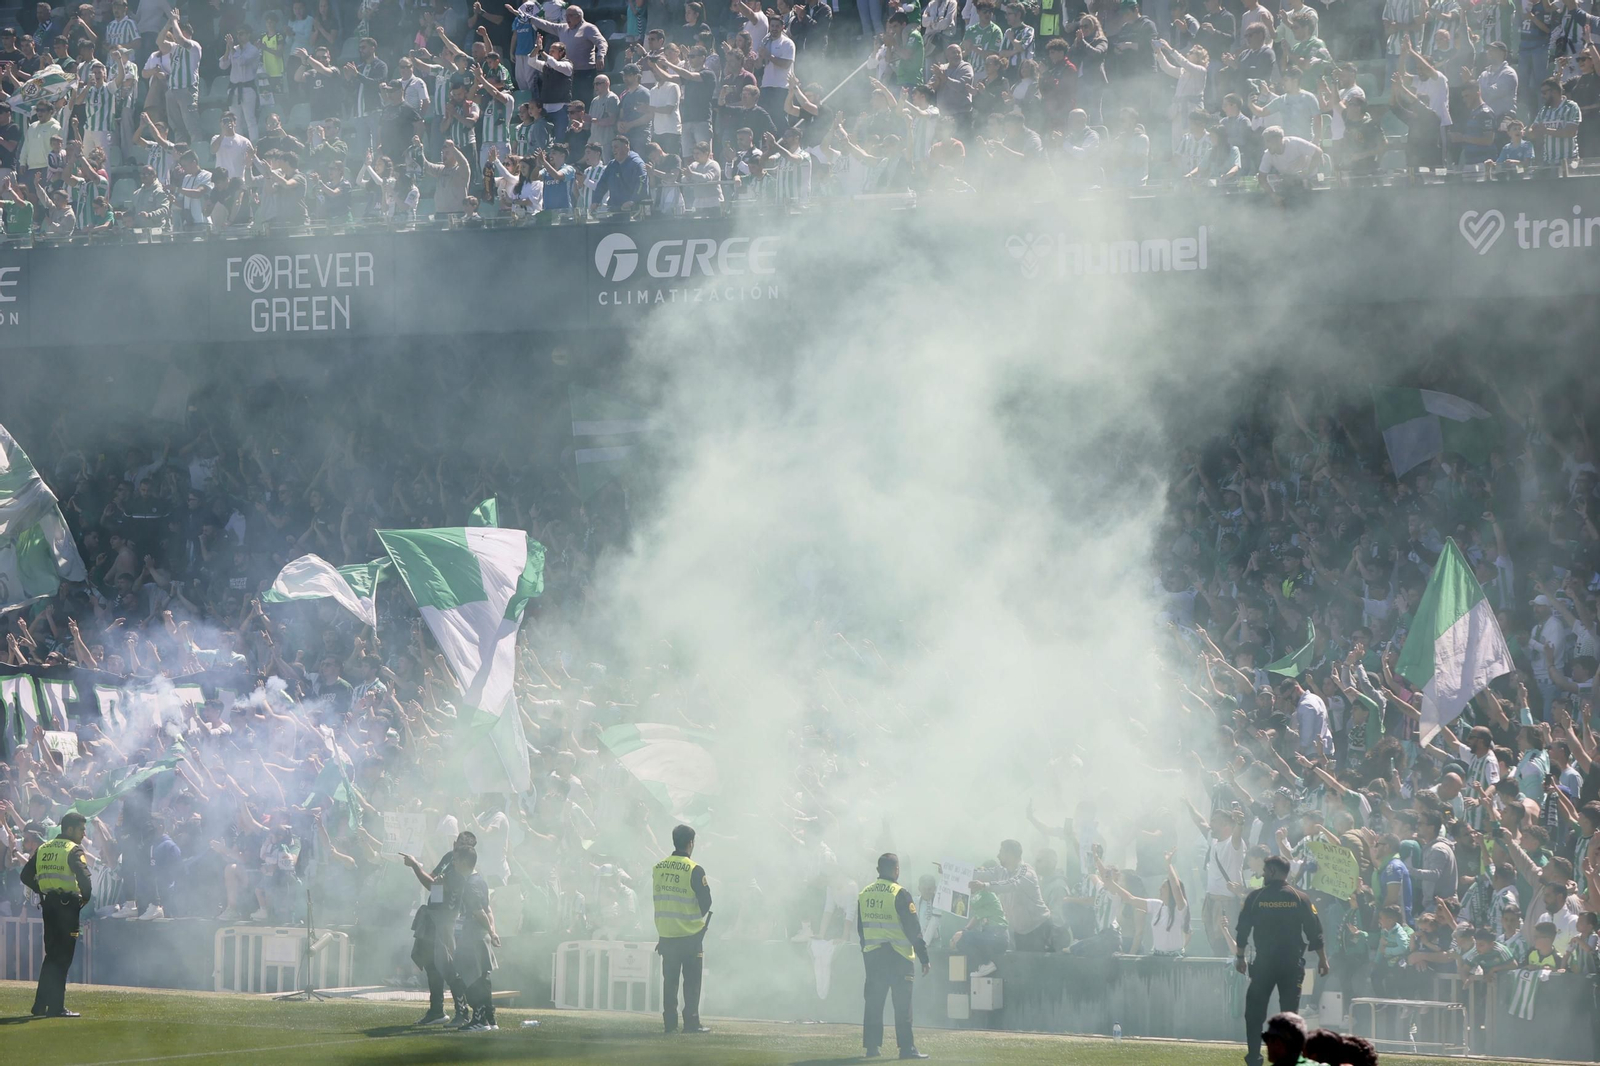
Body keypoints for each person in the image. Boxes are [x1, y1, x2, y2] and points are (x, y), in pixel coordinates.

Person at [1234, 855, 1329, 1066]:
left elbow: (1242, 929)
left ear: (1274, 872)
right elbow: (1315, 932)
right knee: (1289, 1016)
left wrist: (1240, 956)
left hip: (1264, 965)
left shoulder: (1255, 897)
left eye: (1266, 871)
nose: (1263, 874)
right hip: (1291, 965)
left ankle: (1254, 1059)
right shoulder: (1300, 897)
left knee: (1254, 1013)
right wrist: (1323, 959)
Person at [858, 853, 930, 1060]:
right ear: (897, 870)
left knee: (873, 1002)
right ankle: (906, 1049)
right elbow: (913, 930)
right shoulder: (901, 894)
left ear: (878, 870)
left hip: (873, 956)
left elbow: (861, 930)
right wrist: (924, 957)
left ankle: (872, 1048)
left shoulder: (864, 893)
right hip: (899, 957)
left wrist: (866, 953)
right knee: (902, 1005)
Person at [400, 830, 476, 1026]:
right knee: (431, 965)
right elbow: (434, 879)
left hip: (444, 921)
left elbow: (431, 885)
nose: (456, 850)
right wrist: (432, 880)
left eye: (461, 847)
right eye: (458, 844)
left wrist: (416, 866)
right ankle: (436, 1010)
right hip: (433, 918)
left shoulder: (460, 871)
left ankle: (462, 1012)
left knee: (447, 966)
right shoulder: (450, 858)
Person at [22, 810, 92, 1017]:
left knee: (52, 955)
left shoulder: (44, 847)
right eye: (81, 830)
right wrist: (85, 898)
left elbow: (26, 875)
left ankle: (39, 1004)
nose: (84, 835)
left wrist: (43, 889)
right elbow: (85, 879)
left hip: (49, 906)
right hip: (67, 907)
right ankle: (56, 1007)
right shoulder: (73, 849)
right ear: (69, 829)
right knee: (62, 958)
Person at [653, 823, 711, 1034]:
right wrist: (691, 919)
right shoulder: (695, 869)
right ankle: (691, 1022)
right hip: (690, 935)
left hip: (666, 935)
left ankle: (669, 1023)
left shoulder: (658, 868)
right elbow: (706, 903)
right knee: (691, 983)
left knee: (670, 982)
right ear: (690, 843)